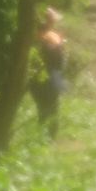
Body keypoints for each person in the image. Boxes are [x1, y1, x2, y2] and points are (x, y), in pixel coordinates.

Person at [30, 7, 67, 139]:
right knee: (53, 107)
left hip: (37, 77)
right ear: (52, 22)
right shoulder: (52, 37)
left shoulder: (38, 34)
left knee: (41, 107)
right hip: (51, 76)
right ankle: (51, 136)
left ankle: (42, 134)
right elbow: (58, 58)